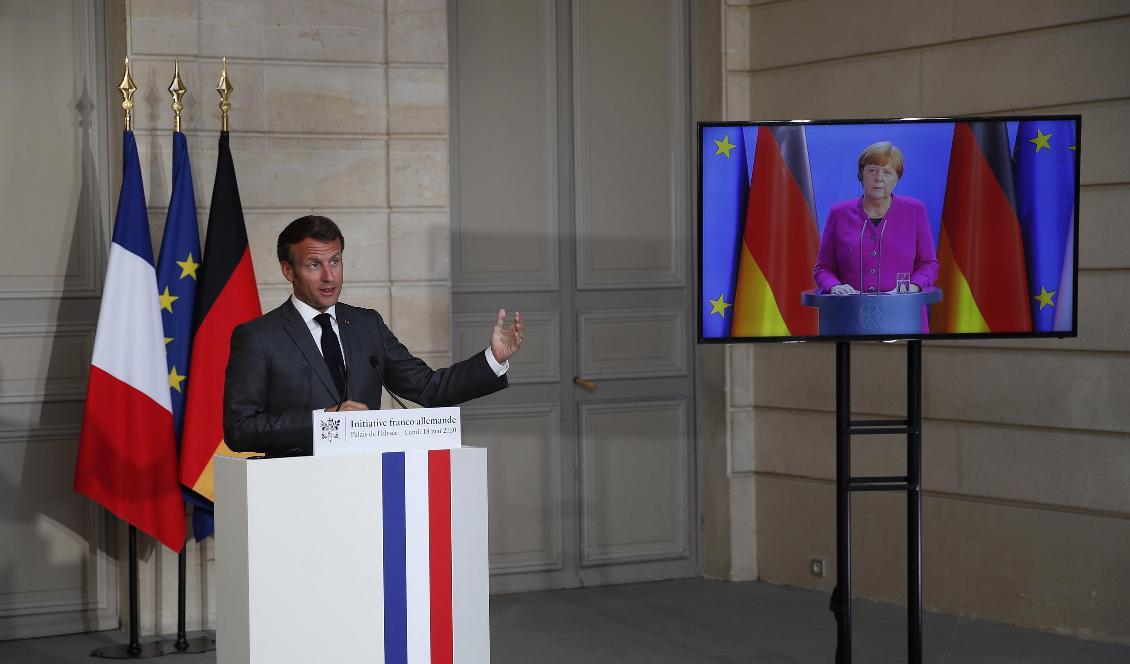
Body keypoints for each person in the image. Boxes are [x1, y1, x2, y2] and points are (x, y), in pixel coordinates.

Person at [223, 215, 523, 456]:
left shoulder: (366, 324)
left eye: (335, 261)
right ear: (288, 271)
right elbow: (240, 429)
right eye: (314, 265)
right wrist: (325, 420)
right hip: (295, 491)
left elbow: (429, 388)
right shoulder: (258, 337)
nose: (329, 276)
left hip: (369, 486)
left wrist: (493, 359)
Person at [812, 141, 939, 330]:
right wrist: (834, 286)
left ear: (897, 179)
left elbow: (928, 264)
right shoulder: (839, 213)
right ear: (861, 175)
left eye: (887, 172)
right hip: (848, 317)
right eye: (872, 171)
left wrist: (913, 287)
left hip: (904, 315)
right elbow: (823, 268)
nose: (879, 178)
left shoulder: (915, 210)